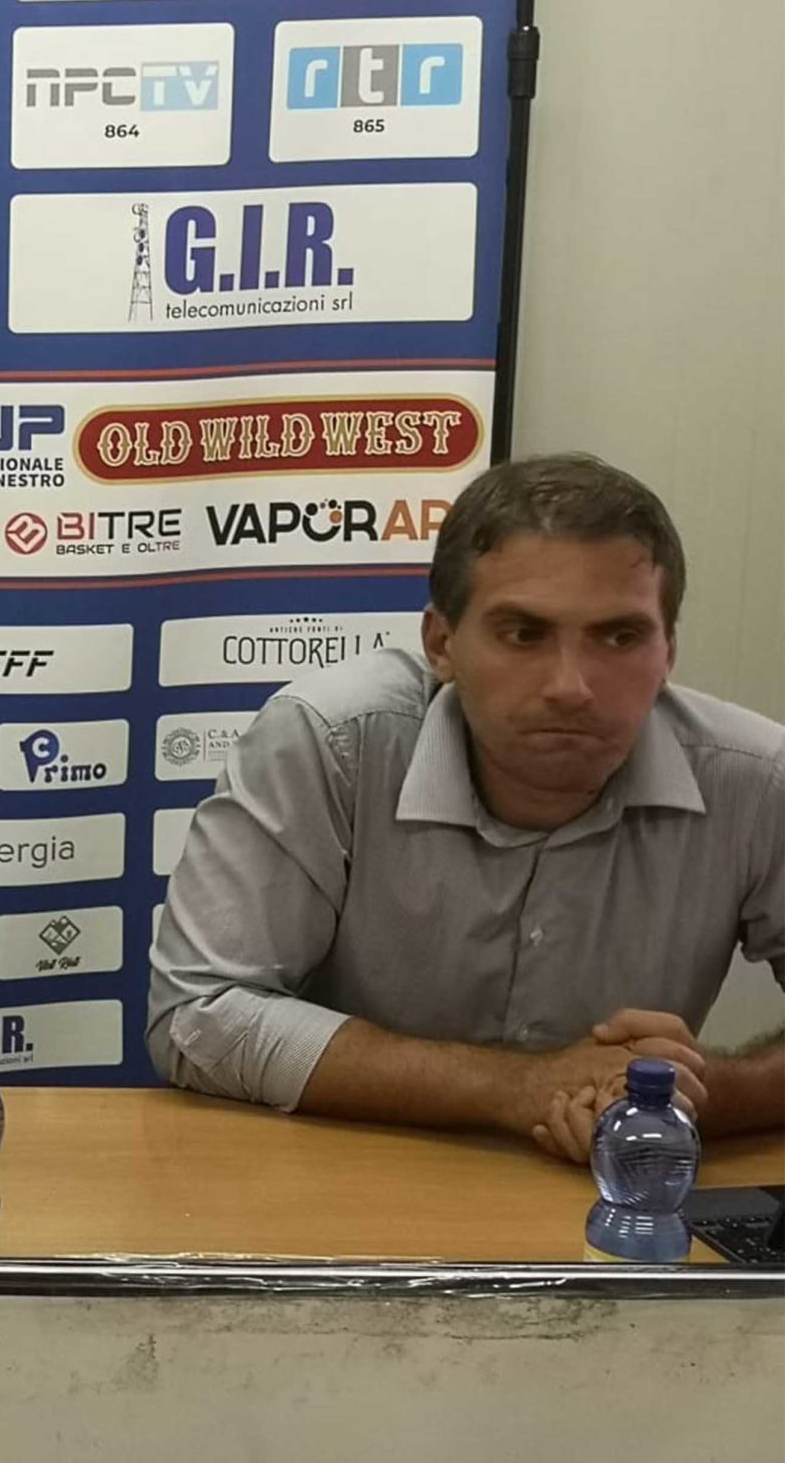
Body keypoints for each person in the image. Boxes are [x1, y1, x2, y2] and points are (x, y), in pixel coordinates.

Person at [149, 453, 784, 1159]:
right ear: (441, 643)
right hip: (347, 1174)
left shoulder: (757, 778)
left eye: (620, 637)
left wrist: (687, 1093)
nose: (571, 686)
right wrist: (520, 1088)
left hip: (615, 1190)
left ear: (668, 652)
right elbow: (198, 1016)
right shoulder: (331, 741)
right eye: (524, 634)